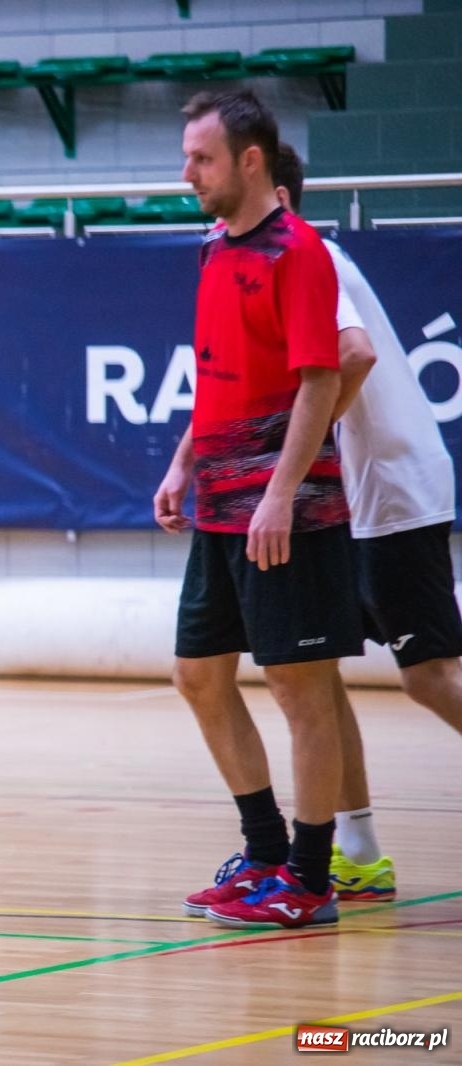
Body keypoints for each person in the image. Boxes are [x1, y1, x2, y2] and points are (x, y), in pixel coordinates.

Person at [154, 90, 361, 929]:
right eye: (186, 157)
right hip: (218, 505)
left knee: (299, 689)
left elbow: (323, 379)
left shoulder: (298, 252)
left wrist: (280, 491)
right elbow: (217, 378)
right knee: (198, 675)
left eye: (201, 158)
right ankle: (265, 852)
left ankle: (310, 879)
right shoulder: (214, 249)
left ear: (250, 160)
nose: (187, 173)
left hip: (289, 513)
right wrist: (182, 464)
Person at [273, 144, 462, 902]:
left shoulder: (312, 256)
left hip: (393, 491)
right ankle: (356, 848)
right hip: (345, 503)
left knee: (430, 677)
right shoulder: (281, 263)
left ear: (274, 193)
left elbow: (355, 358)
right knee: (311, 671)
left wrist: (302, 449)